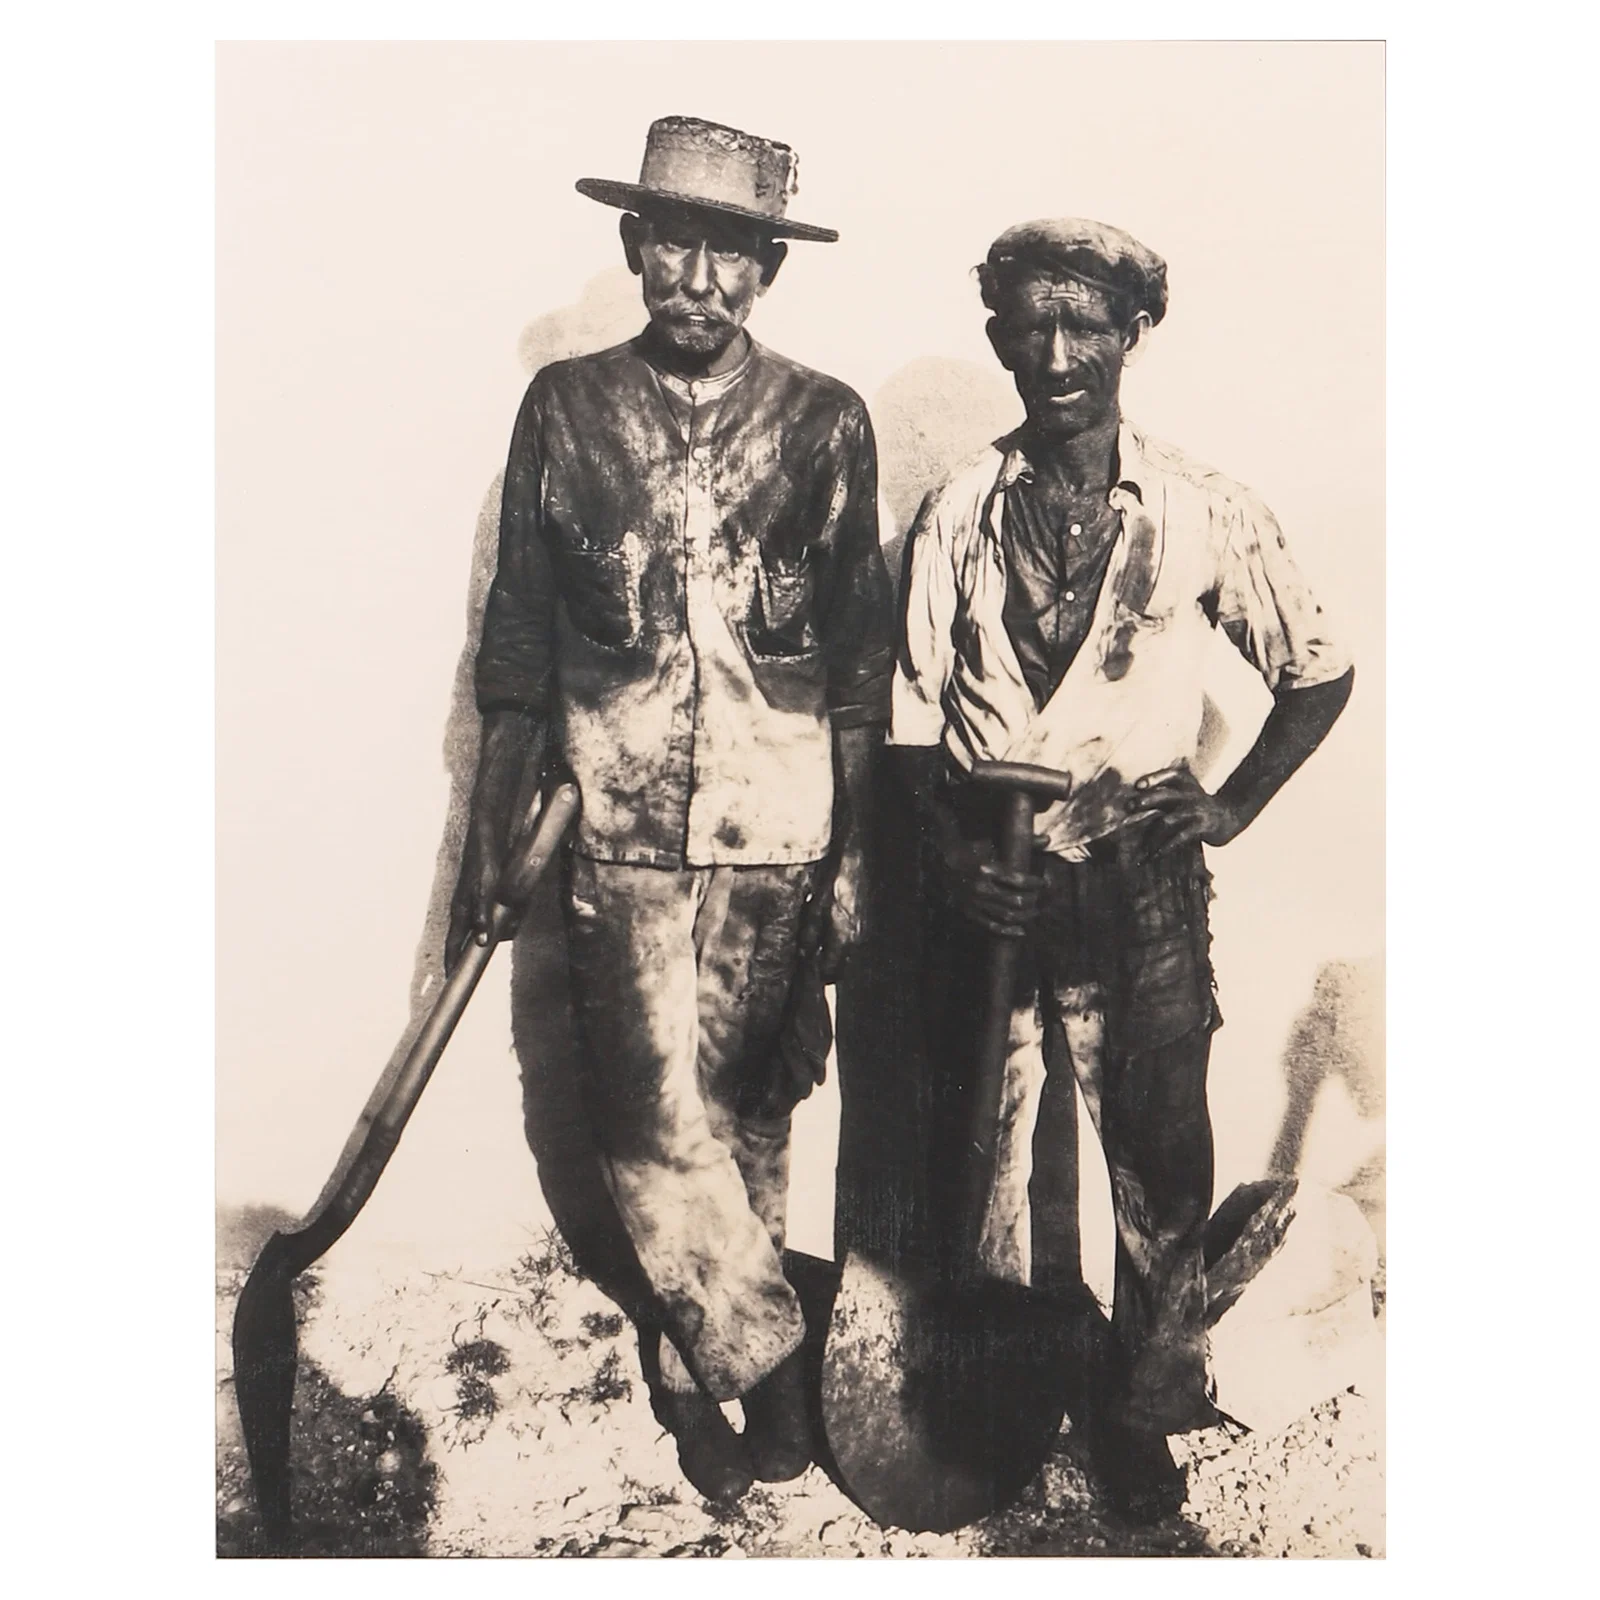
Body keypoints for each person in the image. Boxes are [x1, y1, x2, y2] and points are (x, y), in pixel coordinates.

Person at [446, 117, 894, 1501]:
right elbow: (520, 641)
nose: (698, 279)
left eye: (731, 253)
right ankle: (760, 1356)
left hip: (780, 825)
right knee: (645, 1120)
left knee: (754, 1106)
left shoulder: (825, 422)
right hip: (617, 824)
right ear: (636, 247)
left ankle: (707, 1368)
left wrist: (857, 853)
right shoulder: (565, 410)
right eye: (674, 245)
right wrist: (489, 840)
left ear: (766, 267)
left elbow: (862, 664)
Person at [889, 218, 1354, 1519]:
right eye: (1029, 322)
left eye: (1084, 323)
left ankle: (1143, 1404)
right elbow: (915, 724)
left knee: (1158, 1161)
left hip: (1134, 880)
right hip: (991, 871)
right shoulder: (959, 512)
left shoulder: (1201, 508)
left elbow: (1316, 670)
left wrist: (1228, 806)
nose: (1055, 351)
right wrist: (947, 859)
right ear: (997, 335)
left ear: (1133, 336)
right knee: (973, 1137)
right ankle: (978, 1392)